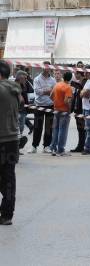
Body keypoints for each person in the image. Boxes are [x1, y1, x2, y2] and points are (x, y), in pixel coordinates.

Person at [0, 60, 20, 225]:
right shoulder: (14, 88)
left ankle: (6, 212)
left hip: (2, 139)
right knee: (8, 178)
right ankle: (7, 214)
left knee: (6, 178)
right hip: (12, 139)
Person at [29, 62, 56, 154]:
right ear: (42, 68)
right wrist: (48, 90)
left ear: (50, 68)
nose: (46, 69)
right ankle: (34, 146)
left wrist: (46, 91)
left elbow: (53, 92)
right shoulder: (37, 79)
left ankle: (46, 146)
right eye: (45, 67)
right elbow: (37, 92)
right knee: (37, 127)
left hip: (50, 105)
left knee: (49, 127)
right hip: (39, 105)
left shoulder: (53, 80)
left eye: (48, 67)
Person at [49, 71, 73, 156]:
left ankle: (53, 148)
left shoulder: (57, 85)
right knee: (63, 130)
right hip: (64, 111)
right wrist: (69, 110)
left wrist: (56, 102)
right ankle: (61, 149)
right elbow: (67, 101)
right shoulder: (68, 88)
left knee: (55, 130)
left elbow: (51, 96)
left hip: (56, 110)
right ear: (70, 78)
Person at [69, 71, 87, 153]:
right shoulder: (78, 83)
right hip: (77, 110)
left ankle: (83, 146)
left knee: (83, 129)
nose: (75, 75)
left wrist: (76, 85)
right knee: (80, 129)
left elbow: (83, 92)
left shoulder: (84, 82)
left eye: (76, 74)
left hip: (82, 110)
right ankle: (80, 146)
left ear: (80, 74)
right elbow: (75, 97)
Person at [14, 71, 32, 149]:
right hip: (17, 110)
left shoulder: (24, 84)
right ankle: (16, 145)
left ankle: (18, 145)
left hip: (23, 109)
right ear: (20, 77)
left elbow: (30, 91)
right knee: (18, 127)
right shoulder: (15, 85)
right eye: (25, 78)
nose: (26, 79)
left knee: (21, 127)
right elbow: (20, 99)